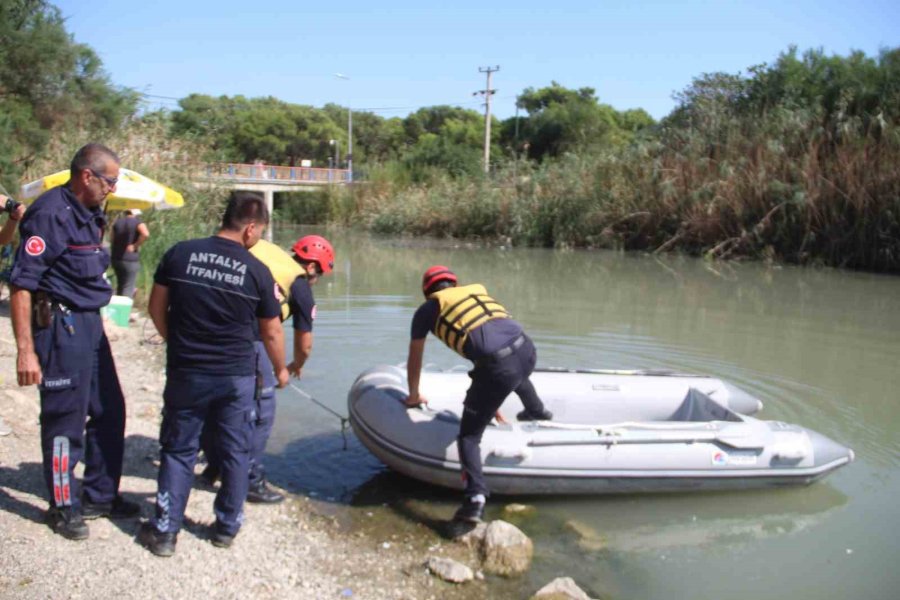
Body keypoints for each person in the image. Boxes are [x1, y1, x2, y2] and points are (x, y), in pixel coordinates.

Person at [139, 192, 289, 557]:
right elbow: (271, 331)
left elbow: (156, 307)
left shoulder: (180, 253)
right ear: (251, 228)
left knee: (178, 449)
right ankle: (225, 528)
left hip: (186, 371)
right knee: (236, 451)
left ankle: (165, 533)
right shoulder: (256, 270)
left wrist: (175, 341)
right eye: (261, 232)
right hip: (235, 377)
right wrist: (282, 370)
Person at [8, 143, 140, 541]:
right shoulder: (49, 214)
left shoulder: (91, 213)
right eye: (109, 181)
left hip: (89, 326)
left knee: (110, 410)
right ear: (87, 176)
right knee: (65, 421)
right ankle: (63, 505)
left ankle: (101, 494)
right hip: (60, 328)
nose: (112, 189)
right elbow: (20, 285)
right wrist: (26, 350)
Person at [404, 266, 552, 523]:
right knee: (513, 371)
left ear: (427, 291)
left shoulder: (428, 309)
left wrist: (413, 395)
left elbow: (415, 356)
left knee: (469, 437)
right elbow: (496, 349)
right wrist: (492, 405)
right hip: (527, 350)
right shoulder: (475, 294)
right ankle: (537, 410)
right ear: (454, 284)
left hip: (498, 367)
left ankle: (475, 499)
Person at [200, 234, 335, 504]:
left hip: (208, 328)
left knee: (218, 402)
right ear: (310, 266)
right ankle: (250, 479)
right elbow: (304, 343)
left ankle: (215, 464)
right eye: (319, 272)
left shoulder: (265, 250)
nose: (316, 279)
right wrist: (292, 365)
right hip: (247, 341)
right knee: (261, 411)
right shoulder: (299, 285)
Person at [110, 208, 150, 298]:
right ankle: (124, 310)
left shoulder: (117, 222)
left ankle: (118, 308)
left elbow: (112, 238)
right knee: (128, 286)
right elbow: (145, 234)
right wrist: (135, 245)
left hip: (116, 258)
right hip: (130, 259)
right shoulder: (137, 222)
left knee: (121, 285)